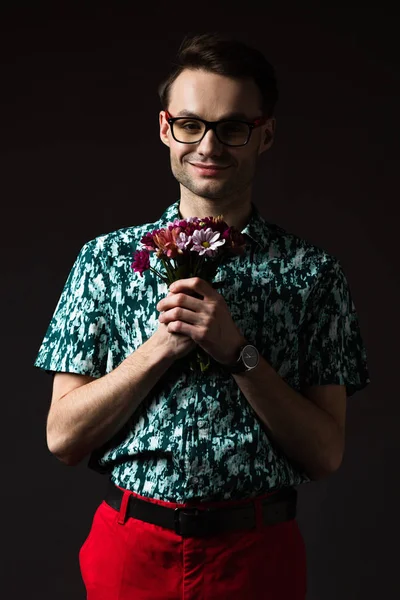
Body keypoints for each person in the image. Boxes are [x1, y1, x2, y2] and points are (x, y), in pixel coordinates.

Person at [34, 32, 370, 600]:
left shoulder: (315, 274)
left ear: (265, 135)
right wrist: (161, 346)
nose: (209, 146)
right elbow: (62, 437)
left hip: (258, 554)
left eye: (232, 127)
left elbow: (325, 453)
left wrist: (238, 353)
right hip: (131, 550)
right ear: (166, 128)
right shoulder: (104, 260)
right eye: (191, 124)